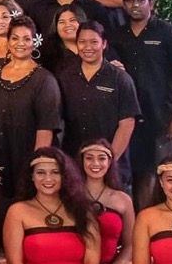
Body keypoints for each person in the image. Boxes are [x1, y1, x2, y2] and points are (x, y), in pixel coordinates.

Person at [109, 0, 172, 206]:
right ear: (123, 5)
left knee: (168, 175)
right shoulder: (116, 36)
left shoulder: (167, 32)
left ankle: (170, 229)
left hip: (162, 118)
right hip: (129, 119)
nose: (135, 5)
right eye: (129, 1)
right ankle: (143, 229)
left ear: (151, 3)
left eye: (140, 0)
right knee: (138, 177)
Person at [0, 19, 61, 193]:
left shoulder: (45, 80)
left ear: (34, 42)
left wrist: (35, 168)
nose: (20, 44)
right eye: (15, 38)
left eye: (26, 39)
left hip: (24, 164)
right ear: (8, 42)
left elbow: (46, 128)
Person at [58, 23, 140, 177]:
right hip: (73, 161)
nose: (87, 47)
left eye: (94, 42)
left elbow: (127, 124)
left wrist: (109, 161)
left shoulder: (120, 79)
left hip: (111, 164)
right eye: (82, 42)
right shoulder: (65, 77)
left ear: (104, 44)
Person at [78, 140, 135, 264]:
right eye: (89, 158)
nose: (95, 163)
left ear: (109, 162)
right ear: (82, 161)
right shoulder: (70, 196)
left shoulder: (123, 200)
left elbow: (131, 245)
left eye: (101, 158)